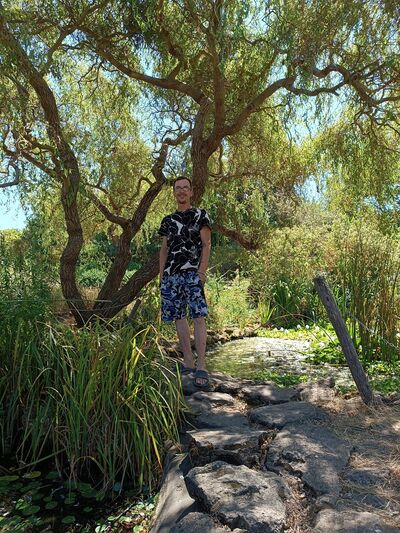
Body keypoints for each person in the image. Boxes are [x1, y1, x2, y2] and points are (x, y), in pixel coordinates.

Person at [158, 176, 212, 388]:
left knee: (198, 317)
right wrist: (162, 275)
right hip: (171, 275)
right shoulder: (168, 220)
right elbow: (164, 249)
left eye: (185, 188)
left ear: (191, 192)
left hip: (192, 274)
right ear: (174, 192)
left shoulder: (200, 215)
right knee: (179, 318)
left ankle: (201, 365)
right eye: (178, 188)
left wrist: (201, 272)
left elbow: (206, 245)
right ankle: (188, 362)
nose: (181, 191)